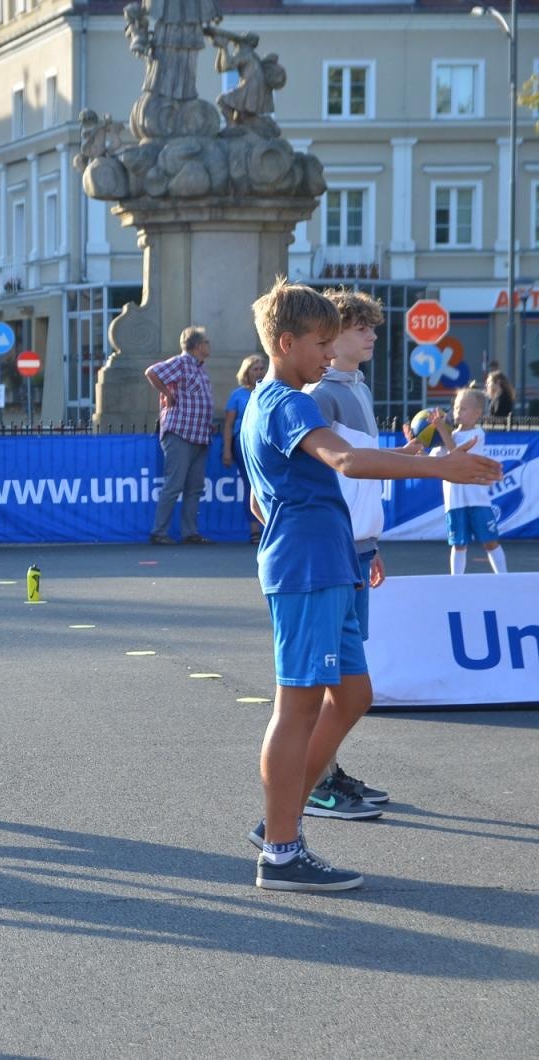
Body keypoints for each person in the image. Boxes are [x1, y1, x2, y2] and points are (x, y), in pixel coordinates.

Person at [239, 278, 500, 893]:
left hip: (329, 562)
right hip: (308, 568)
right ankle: (280, 850)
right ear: (286, 342)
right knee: (297, 707)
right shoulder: (286, 402)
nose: (330, 355)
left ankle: (280, 824)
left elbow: (261, 499)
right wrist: (440, 466)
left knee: (352, 696)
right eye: (321, 342)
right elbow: (349, 463)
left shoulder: (272, 401)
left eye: (335, 342)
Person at [300, 287, 392, 822]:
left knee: (343, 679)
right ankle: (317, 782)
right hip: (333, 554)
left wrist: (372, 544)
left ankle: (328, 772)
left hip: (357, 549)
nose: (372, 334)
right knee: (329, 679)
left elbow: (359, 466)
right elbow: (329, 470)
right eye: (362, 327)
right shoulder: (321, 395)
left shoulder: (354, 387)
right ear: (332, 339)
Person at [144, 326, 214, 545]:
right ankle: (159, 532)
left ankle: (190, 532)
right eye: (206, 341)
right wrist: (167, 394)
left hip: (199, 435)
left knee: (194, 488)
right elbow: (152, 372)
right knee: (174, 485)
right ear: (197, 345)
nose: (209, 345)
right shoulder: (182, 362)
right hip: (180, 433)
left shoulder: (200, 368)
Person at [437, 386, 508, 576]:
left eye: (463, 408)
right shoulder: (448, 435)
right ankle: (456, 582)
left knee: (490, 541)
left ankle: (504, 579)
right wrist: (420, 442)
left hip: (477, 500)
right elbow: (435, 458)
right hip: (455, 501)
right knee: (459, 544)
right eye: (456, 407)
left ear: (477, 414)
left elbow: (457, 455)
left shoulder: (477, 435)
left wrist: (442, 431)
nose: (457, 412)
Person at [220, 353, 266, 540]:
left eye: (262, 368)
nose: (259, 372)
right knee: (251, 485)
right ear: (247, 372)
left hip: (266, 442)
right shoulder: (237, 395)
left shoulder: (270, 390)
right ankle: (255, 530)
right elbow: (229, 425)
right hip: (243, 444)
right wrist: (227, 450)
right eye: (255, 369)